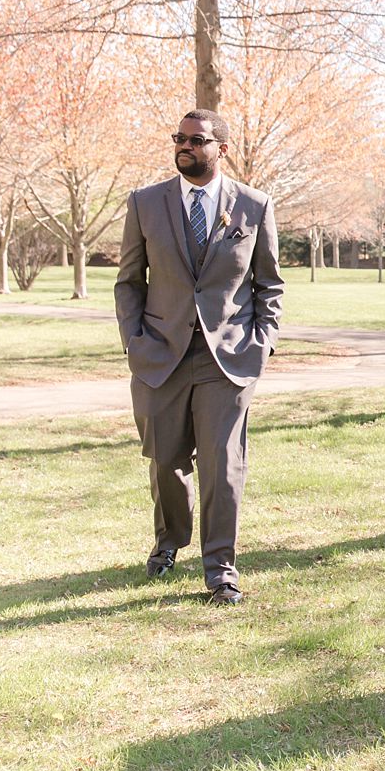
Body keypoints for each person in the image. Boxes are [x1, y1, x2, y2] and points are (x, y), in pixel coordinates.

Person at [115, 108, 285, 605]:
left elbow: (269, 285)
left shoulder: (254, 206)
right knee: (166, 462)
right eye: (179, 138)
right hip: (159, 356)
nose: (184, 146)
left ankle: (221, 568)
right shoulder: (145, 203)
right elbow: (128, 282)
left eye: (196, 139)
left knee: (223, 464)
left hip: (227, 358)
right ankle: (169, 542)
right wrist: (134, 341)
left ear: (221, 149)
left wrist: (263, 340)